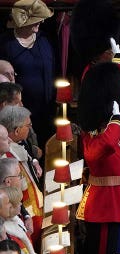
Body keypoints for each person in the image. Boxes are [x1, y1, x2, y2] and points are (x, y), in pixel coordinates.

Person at [75, 62, 120, 254]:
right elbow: (101, 149)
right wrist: (116, 119)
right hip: (103, 210)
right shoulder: (95, 135)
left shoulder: (101, 128)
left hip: (110, 207)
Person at [71, 0, 120, 162]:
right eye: (110, 51)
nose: (113, 52)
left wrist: (118, 57)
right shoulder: (94, 75)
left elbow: (117, 78)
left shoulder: (103, 70)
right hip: (111, 140)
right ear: (101, 53)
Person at [0, 0, 55, 148]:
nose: (39, 23)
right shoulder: (6, 43)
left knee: (46, 148)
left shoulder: (45, 39)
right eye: (35, 21)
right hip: (20, 112)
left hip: (46, 109)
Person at [0, 106, 42, 244]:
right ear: (17, 130)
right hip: (23, 212)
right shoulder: (6, 158)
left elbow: (30, 158)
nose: (30, 129)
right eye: (28, 125)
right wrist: (26, 214)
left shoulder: (21, 143)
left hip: (32, 209)